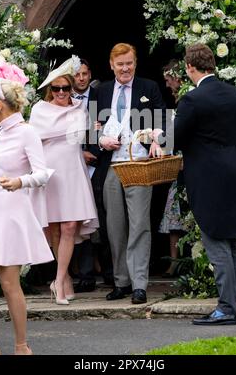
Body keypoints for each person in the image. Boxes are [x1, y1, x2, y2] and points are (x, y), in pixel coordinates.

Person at [0, 66, 54, 355]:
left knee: (8, 282)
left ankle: (21, 346)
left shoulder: (27, 133)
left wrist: (19, 181)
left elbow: (42, 174)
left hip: (12, 213)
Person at [173, 43, 236, 325]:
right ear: (213, 64)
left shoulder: (192, 100)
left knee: (215, 239)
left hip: (207, 178)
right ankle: (232, 304)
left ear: (190, 68)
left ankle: (227, 308)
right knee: (233, 241)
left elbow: (175, 139)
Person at [95, 43, 167, 304]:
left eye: (129, 63)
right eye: (120, 64)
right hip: (112, 164)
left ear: (135, 63)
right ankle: (121, 281)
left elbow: (161, 119)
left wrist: (158, 139)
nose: (125, 68)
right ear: (111, 65)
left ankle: (139, 284)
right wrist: (100, 141)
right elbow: (92, 128)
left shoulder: (148, 88)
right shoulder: (100, 91)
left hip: (138, 163)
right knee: (114, 227)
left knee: (139, 224)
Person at [29, 57, 99, 305]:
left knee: (71, 226)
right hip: (50, 171)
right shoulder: (39, 109)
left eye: (65, 88)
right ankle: (64, 278)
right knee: (55, 227)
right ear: (51, 89)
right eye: (56, 88)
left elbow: (80, 134)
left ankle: (58, 280)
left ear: (72, 88)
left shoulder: (80, 108)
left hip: (72, 170)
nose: (61, 93)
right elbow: (33, 139)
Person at [71, 59, 114, 292]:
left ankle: (109, 271)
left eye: (85, 74)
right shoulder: (63, 96)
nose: (81, 78)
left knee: (105, 217)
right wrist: (78, 152)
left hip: (98, 163)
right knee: (79, 219)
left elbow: (108, 125)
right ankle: (85, 275)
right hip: (73, 164)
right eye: (77, 74)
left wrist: (94, 151)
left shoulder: (101, 95)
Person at [158, 62, 186, 277]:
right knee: (173, 214)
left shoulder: (189, 98)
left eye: (169, 79)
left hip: (191, 164)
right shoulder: (176, 99)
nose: (167, 84)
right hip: (177, 166)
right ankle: (174, 262)